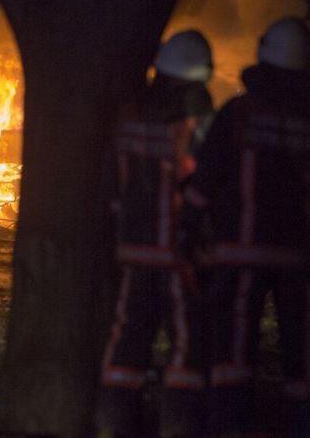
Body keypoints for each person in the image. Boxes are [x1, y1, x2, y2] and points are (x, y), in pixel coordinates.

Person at [181, 16, 310, 436]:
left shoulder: (239, 113)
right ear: (307, 62)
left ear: (263, 53)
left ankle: (231, 423)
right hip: (298, 254)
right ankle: (308, 423)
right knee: (305, 344)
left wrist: (189, 222)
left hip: (240, 251)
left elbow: (206, 176)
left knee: (234, 341)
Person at [96, 30, 215, 438]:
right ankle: (177, 427)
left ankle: (113, 426)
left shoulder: (129, 113)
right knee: (187, 344)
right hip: (176, 251)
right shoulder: (195, 118)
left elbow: (111, 181)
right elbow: (208, 184)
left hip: (133, 249)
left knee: (127, 343)